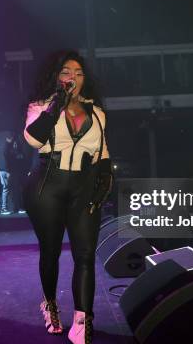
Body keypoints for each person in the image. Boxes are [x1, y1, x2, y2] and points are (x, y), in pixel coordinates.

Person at [23, 51, 113, 344]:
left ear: (84, 79)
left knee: (85, 255)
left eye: (78, 72)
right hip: (47, 185)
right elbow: (33, 139)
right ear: (57, 77)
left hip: (83, 186)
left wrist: (106, 178)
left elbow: (102, 153)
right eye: (66, 71)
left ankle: (82, 321)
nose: (72, 76)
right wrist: (56, 107)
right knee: (50, 252)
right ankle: (49, 305)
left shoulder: (97, 112)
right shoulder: (40, 106)